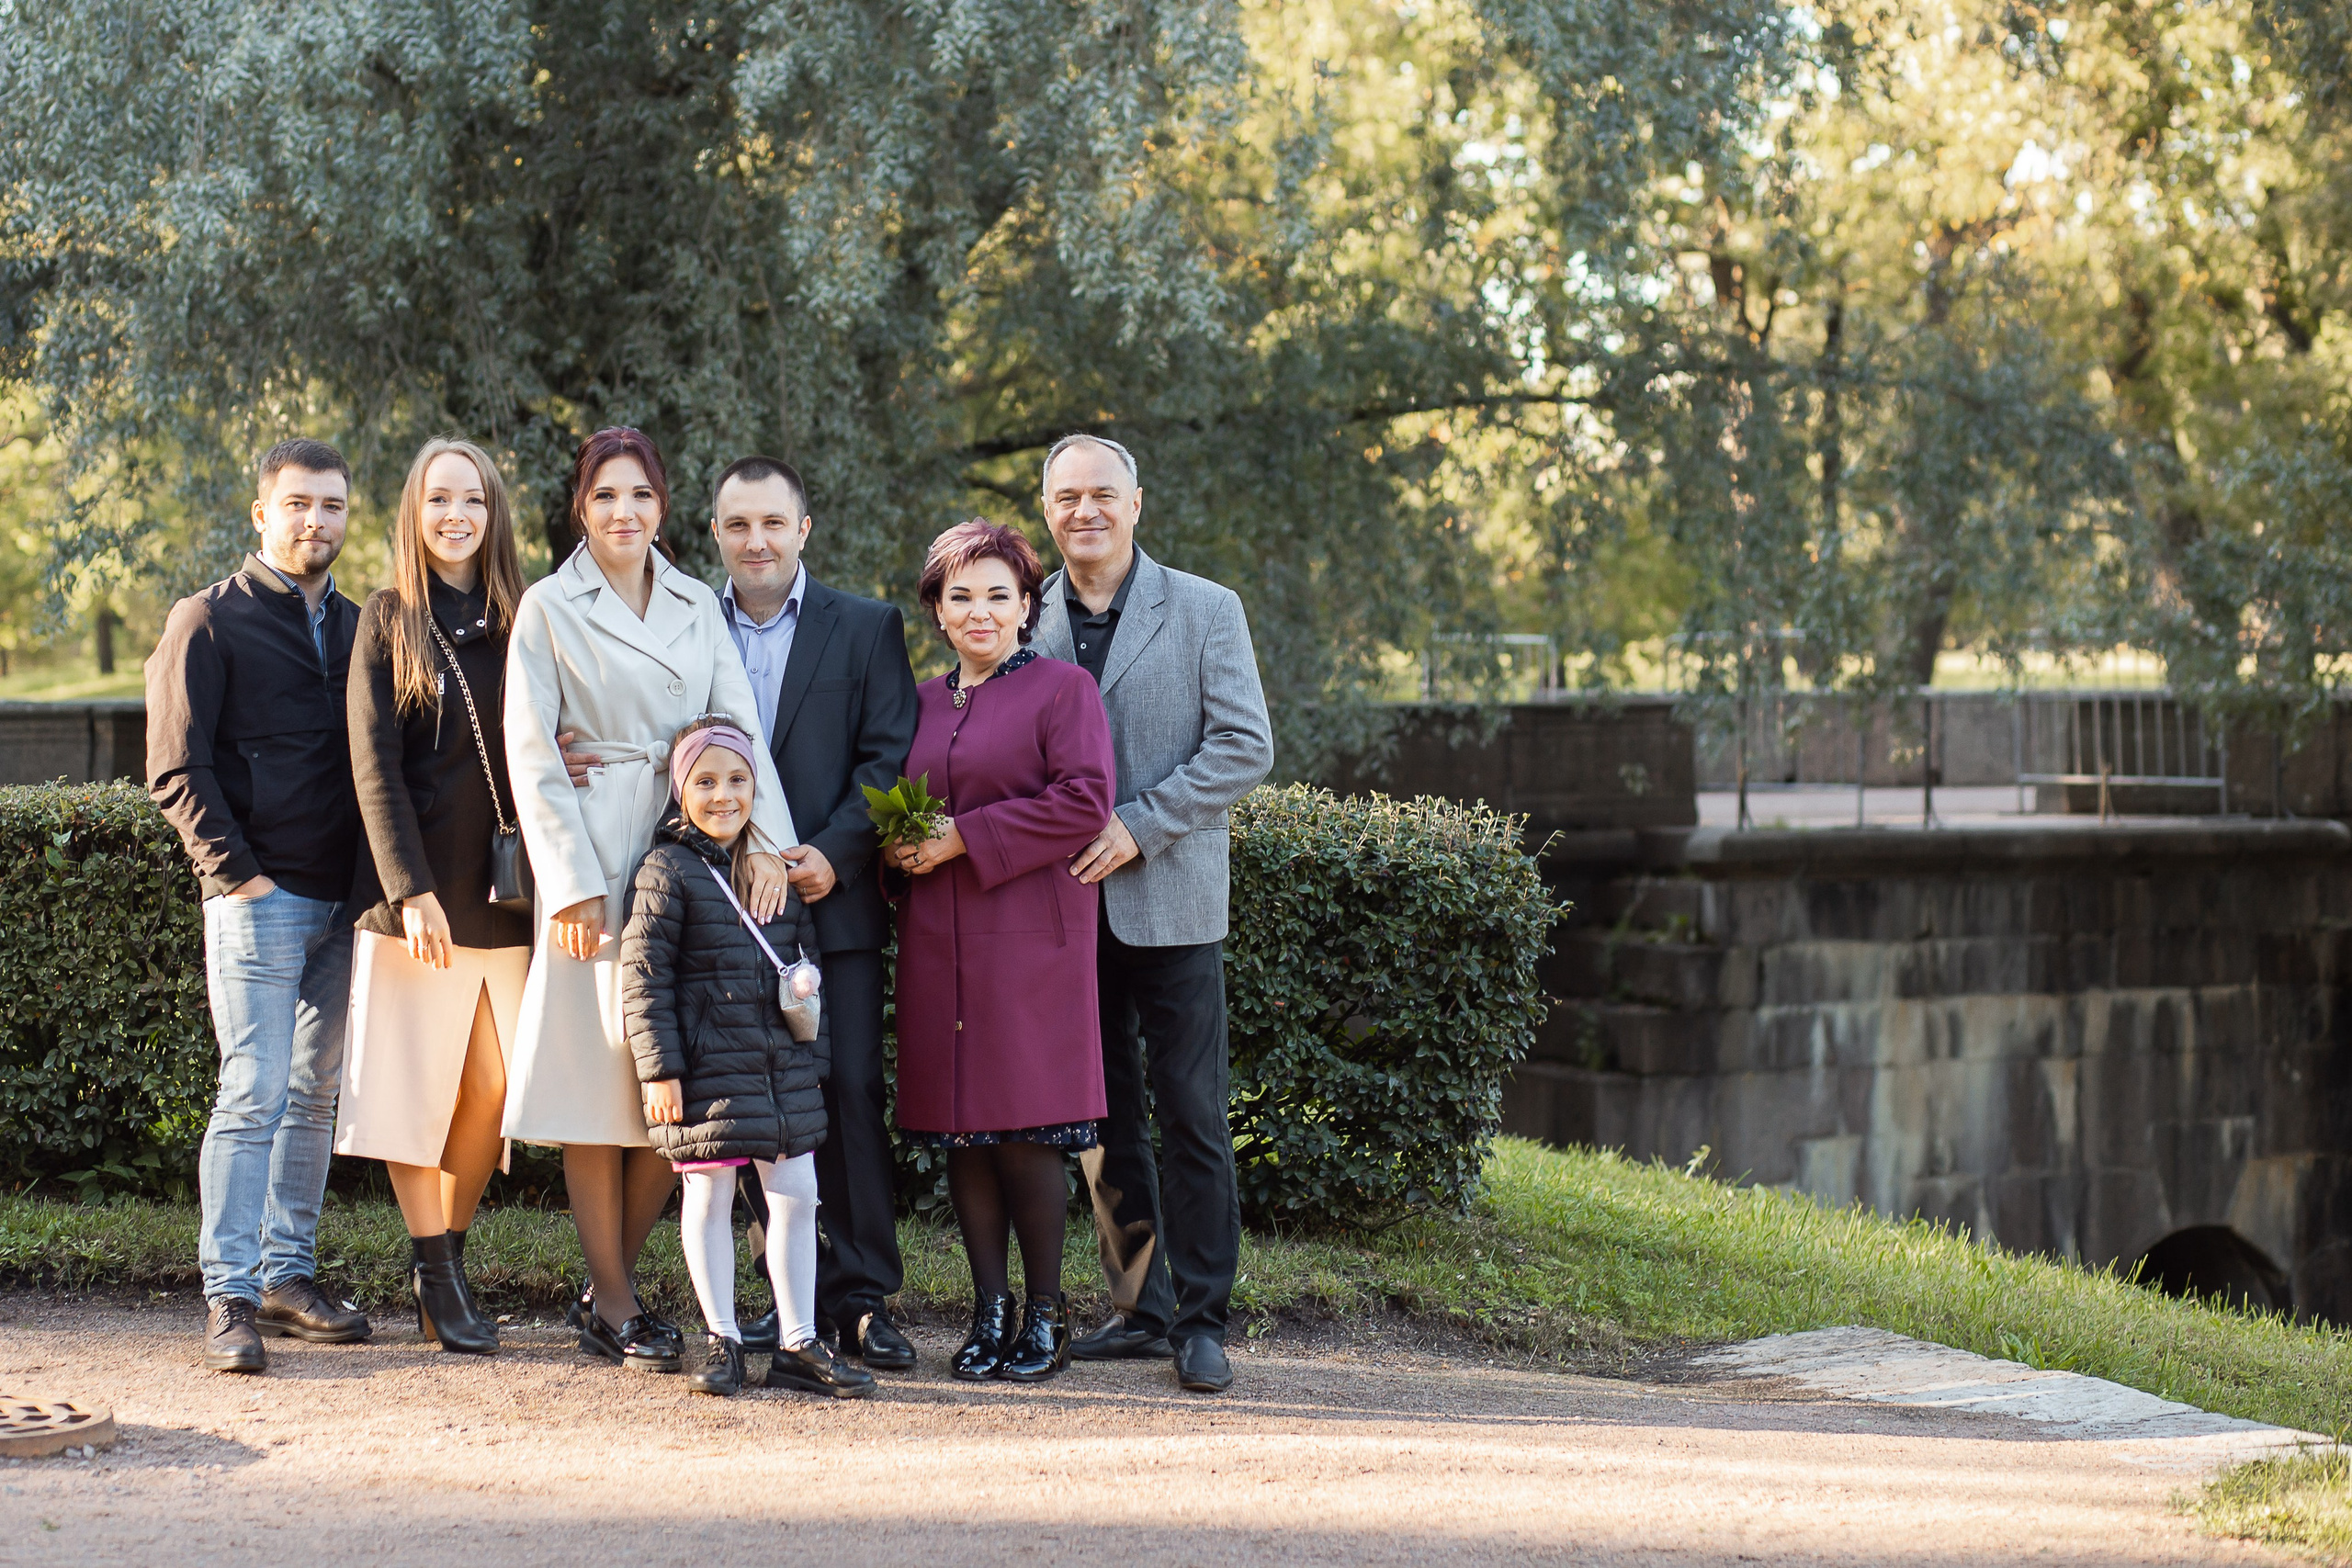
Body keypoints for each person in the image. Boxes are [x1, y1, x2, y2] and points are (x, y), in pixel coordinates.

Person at [503, 426, 797, 1373]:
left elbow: (736, 724)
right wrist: (571, 883)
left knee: (669, 1094)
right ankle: (620, 1301)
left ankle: (605, 1290)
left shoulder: (691, 604)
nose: (622, 512)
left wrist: (766, 846)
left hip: (685, 856)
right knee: (598, 1083)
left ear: (662, 508)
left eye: (639, 495)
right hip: (593, 852)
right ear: (579, 509)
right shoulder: (549, 606)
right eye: (603, 497)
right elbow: (532, 750)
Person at [1029, 434, 1274, 1395]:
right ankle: (1139, 1308)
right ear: (1045, 509)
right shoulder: (1020, 612)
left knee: (1192, 1113)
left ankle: (1203, 1319)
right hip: (1059, 908)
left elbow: (1242, 746)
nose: (1083, 511)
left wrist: (1140, 826)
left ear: (1137, 503)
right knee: (1098, 1120)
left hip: (1170, 899)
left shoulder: (1207, 608)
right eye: (1065, 498)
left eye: (1101, 494)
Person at [146, 436, 374, 1373]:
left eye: (330, 505)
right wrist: (238, 875)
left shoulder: (364, 625)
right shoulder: (206, 620)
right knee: (252, 1094)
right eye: (297, 504)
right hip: (259, 900)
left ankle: (287, 1275)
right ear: (262, 514)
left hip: (344, 905)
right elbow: (174, 766)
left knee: (313, 1098)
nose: (314, 521)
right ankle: (230, 1295)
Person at [702, 456, 919, 1369]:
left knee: (849, 1096)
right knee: (754, 1110)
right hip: (728, 910)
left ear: (804, 530)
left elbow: (889, 756)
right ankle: (779, 1299)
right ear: (716, 533)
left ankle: (863, 1298)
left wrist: (832, 852)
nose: (757, 541)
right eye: (738, 524)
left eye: (773, 523)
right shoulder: (684, 627)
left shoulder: (866, 628)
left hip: (833, 905)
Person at [888, 519, 1116, 1383]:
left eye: (998, 595)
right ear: (938, 612)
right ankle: (989, 1312)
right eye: (960, 597)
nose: (979, 611)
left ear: (1028, 604)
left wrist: (963, 839)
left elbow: (1086, 800)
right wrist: (900, 850)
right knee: (963, 1134)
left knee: (1025, 1133)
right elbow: (894, 802)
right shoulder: (915, 700)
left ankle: (1046, 1314)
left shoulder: (1063, 690)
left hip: (1029, 946)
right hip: (938, 944)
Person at [338, 437, 531, 1355]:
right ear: (414, 512)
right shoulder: (387, 618)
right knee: (416, 1089)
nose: (458, 514)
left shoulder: (522, 615)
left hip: (504, 893)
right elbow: (373, 768)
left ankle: (444, 1258)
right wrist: (408, 890)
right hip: (420, 895)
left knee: (492, 1090)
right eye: (440, 498)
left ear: (494, 515)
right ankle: (433, 1269)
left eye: (475, 500)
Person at [623, 716, 875, 1400]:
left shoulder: (773, 873)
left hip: (782, 1071)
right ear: (680, 790)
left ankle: (798, 1341)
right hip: (704, 1073)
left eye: (738, 779)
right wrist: (660, 1069)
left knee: (797, 1197)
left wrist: (813, 1060)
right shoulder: (666, 870)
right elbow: (643, 977)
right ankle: (723, 1336)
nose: (724, 795)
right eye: (705, 781)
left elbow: (806, 967)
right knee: (707, 1194)